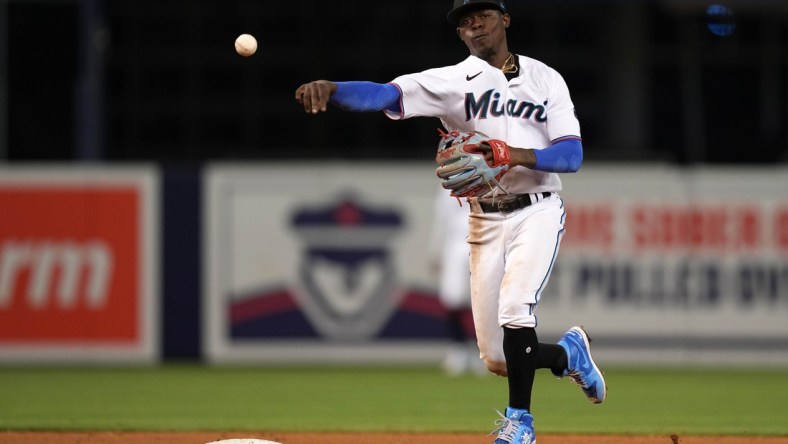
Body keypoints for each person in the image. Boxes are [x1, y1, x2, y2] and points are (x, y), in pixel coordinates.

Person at [295, 1, 606, 442]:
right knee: (497, 358)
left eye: (483, 15)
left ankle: (520, 425)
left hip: (537, 207)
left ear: (505, 20)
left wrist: (507, 154)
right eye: (464, 22)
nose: (474, 25)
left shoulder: (546, 78)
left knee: (517, 308)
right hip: (483, 218)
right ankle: (568, 356)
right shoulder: (452, 81)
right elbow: (385, 94)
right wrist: (333, 87)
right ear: (459, 34)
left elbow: (570, 156)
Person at [428, 185, 484, 377]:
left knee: (482, 301)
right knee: (452, 298)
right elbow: (441, 221)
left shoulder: (487, 181)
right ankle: (458, 348)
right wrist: (436, 250)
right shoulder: (447, 187)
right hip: (455, 247)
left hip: (482, 244)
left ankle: (483, 350)